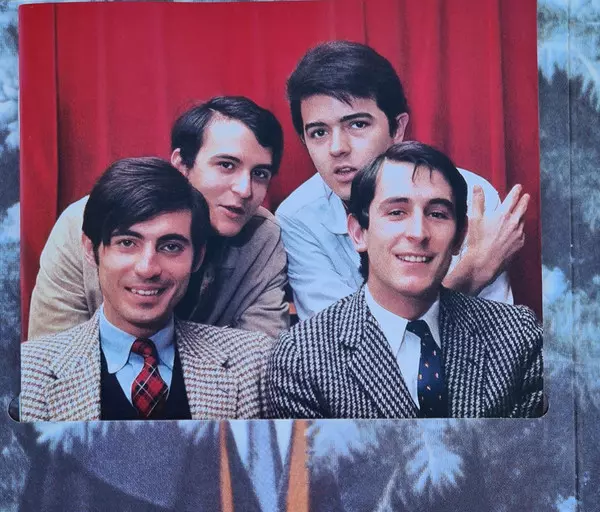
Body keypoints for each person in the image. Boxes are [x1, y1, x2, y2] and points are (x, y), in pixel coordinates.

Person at [267, 142, 543, 419]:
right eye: (396, 212)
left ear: (460, 237)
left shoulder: (518, 336)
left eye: (437, 214)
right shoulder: (301, 357)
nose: (418, 233)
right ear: (359, 232)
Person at [276, 41, 530, 320]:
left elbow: (495, 331)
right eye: (319, 133)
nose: (337, 148)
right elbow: (332, 339)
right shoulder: (298, 218)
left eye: (357, 124)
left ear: (398, 128)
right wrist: (470, 274)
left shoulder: (472, 196)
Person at [21, 158, 273, 421]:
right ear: (90, 249)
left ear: (198, 258)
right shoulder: (29, 372)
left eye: (171, 247)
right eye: (127, 243)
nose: (147, 268)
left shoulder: (251, 363)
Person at [28, 96, 288, 340]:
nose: (244, 190)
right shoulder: (84, 223)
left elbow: (262, 356)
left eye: (260, 174)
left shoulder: (262, 238)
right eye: (226, 165)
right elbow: (52, 357)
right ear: (181, 165)